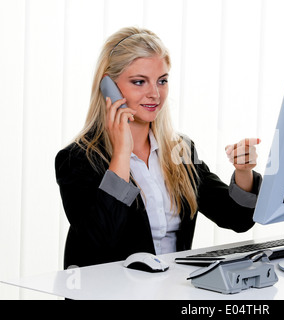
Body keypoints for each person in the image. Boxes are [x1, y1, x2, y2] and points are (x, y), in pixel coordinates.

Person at [55, 26, 262, 269]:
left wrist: (243, 171)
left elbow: (238, 218)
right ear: (108, 86)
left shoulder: (180, 151)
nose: (155, 94)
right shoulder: (77, 159)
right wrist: (122, 152)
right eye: (140, 82)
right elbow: (102, 238)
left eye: (162, 81)